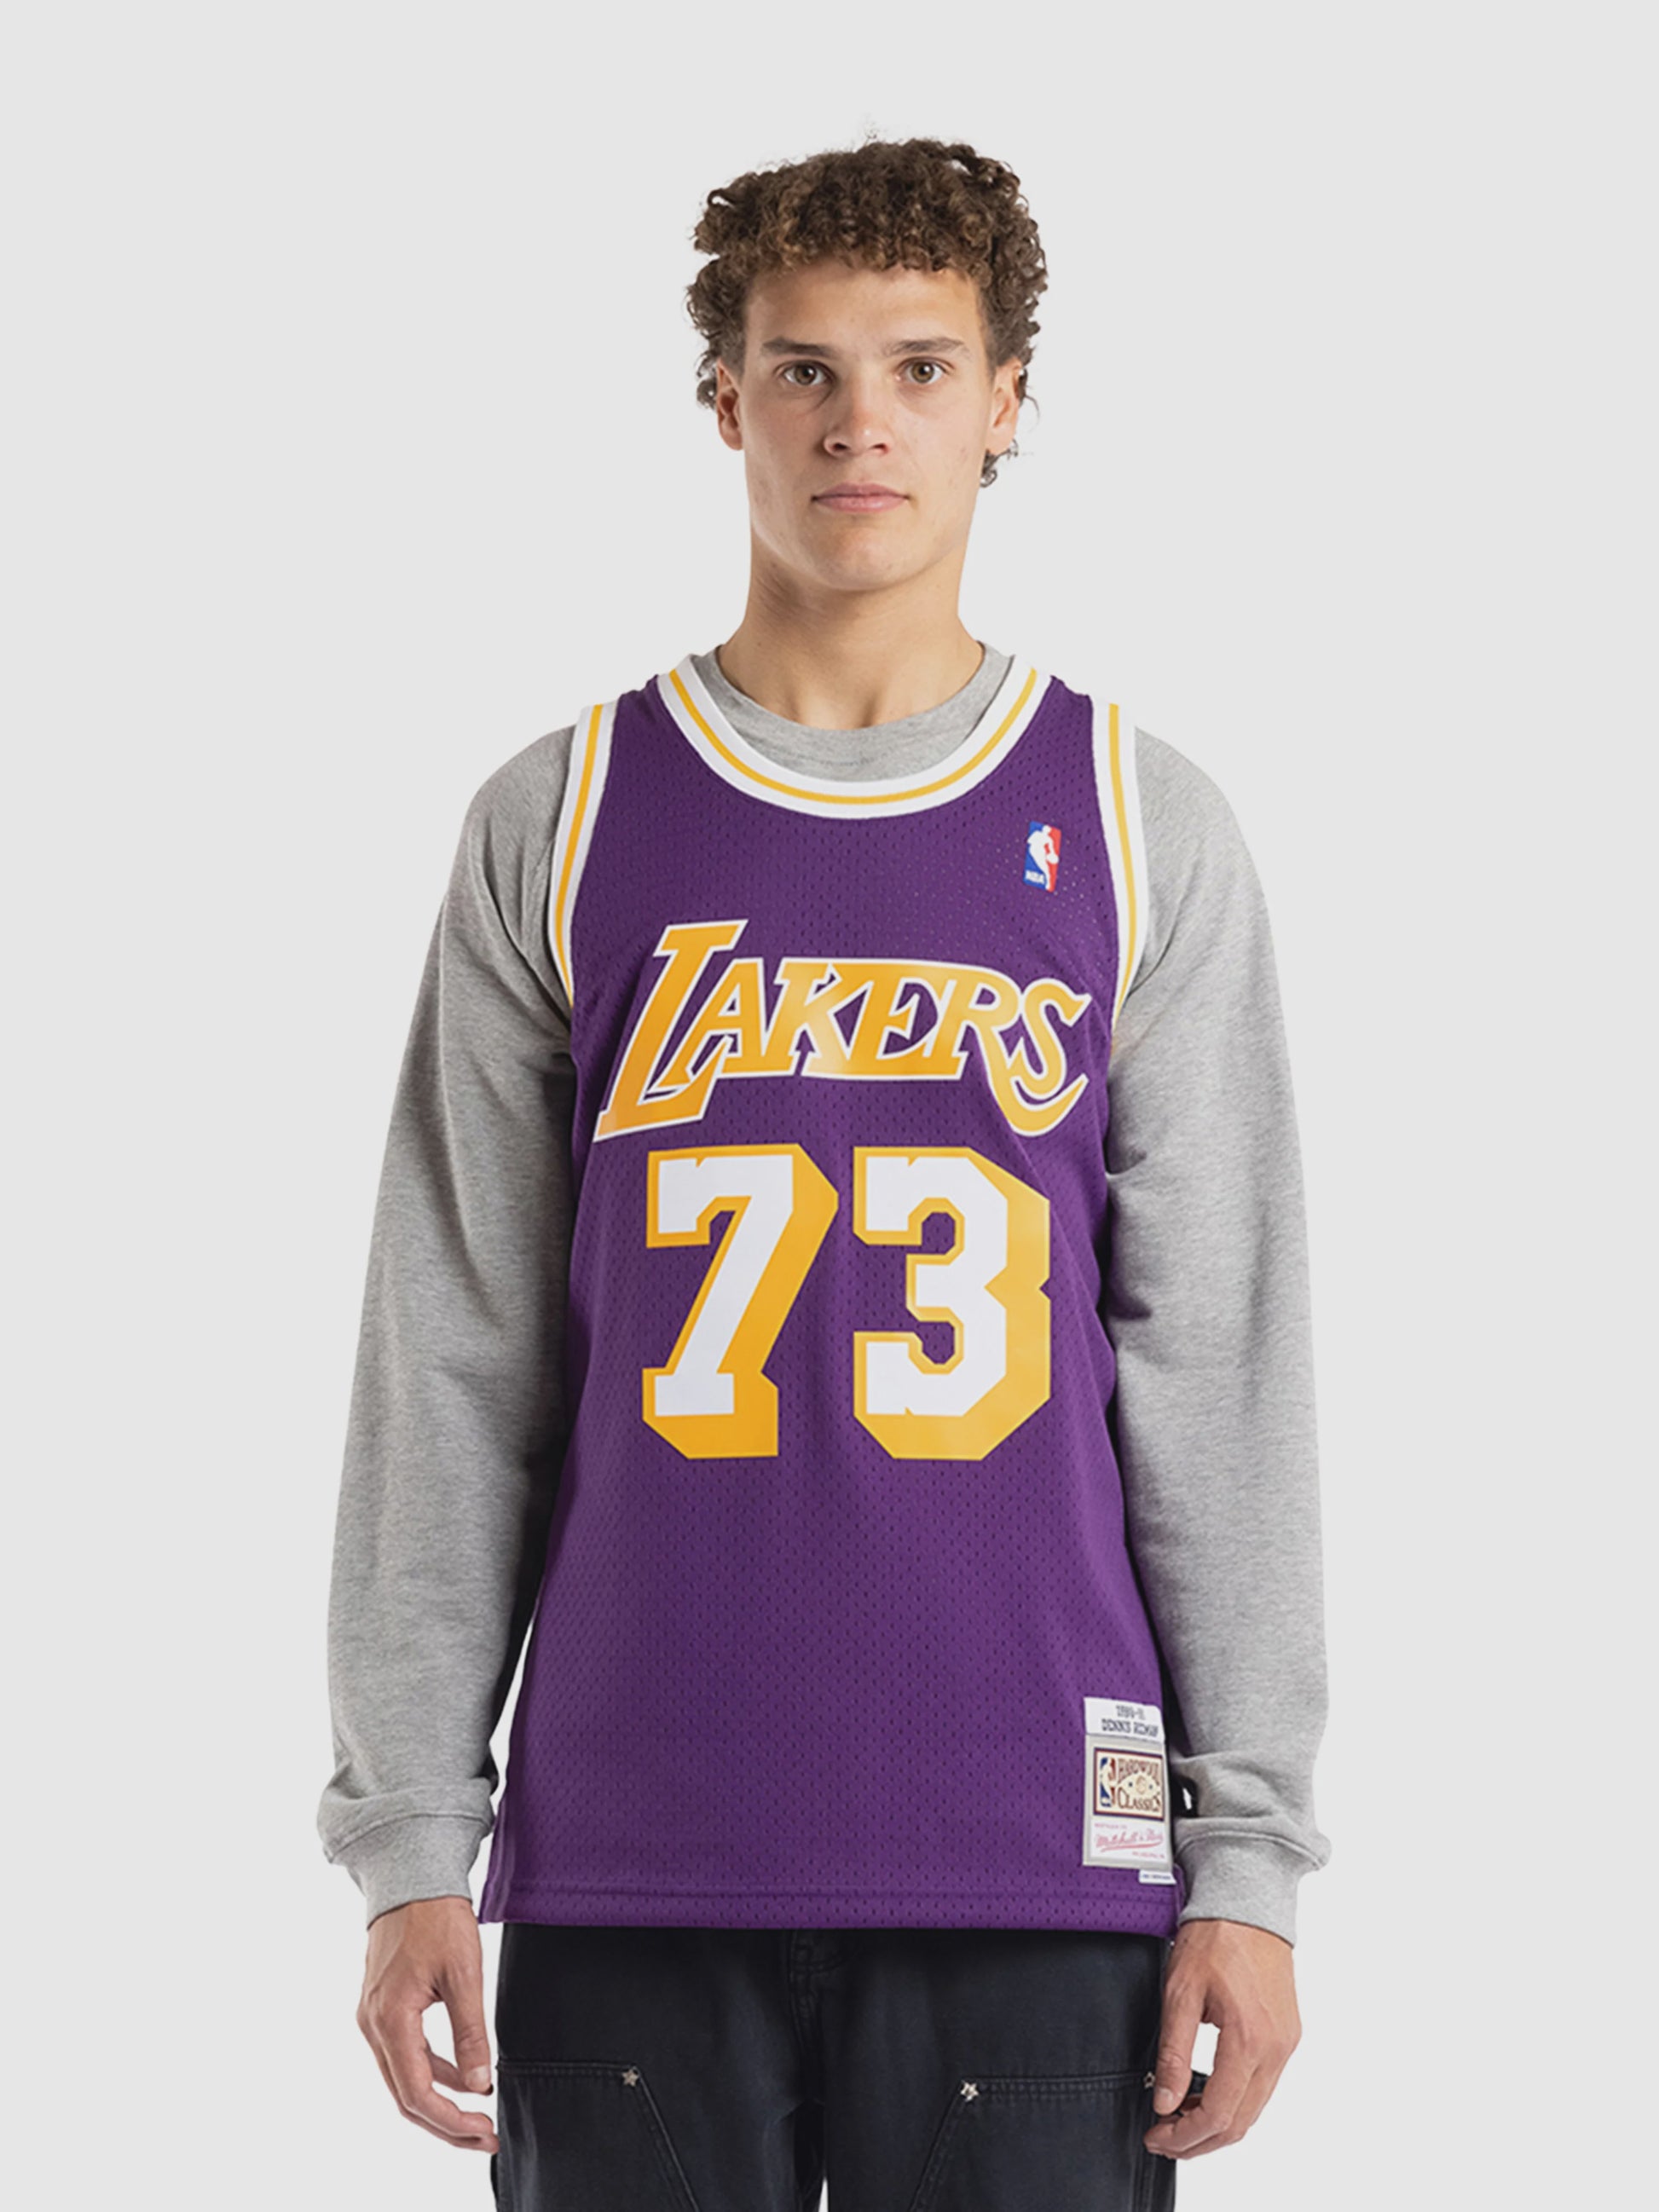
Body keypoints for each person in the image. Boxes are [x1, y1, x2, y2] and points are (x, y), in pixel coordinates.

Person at [317, 136, 1332, 2209]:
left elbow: (1216, 1368)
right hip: (633, 1852)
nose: (861, 421)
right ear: (726, 399)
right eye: (805, 368)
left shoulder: (1136, 820)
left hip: (1039, 1856)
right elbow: (457, 1349)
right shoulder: (561, 817)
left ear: (1006, 399)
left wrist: (1247, 1857)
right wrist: (411, 1827)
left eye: (920, 367)